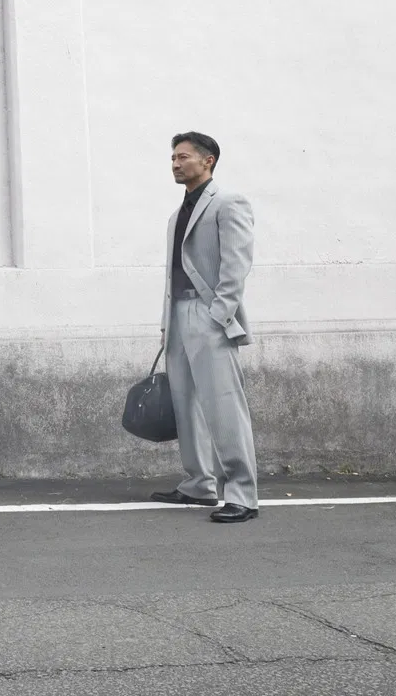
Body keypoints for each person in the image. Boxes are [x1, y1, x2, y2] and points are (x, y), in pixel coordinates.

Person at [150, 132, 260, 523]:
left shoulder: (228, 203)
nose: (175, 164)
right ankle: (199, 484)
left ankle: (242, 495)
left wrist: (220, 314)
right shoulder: (176, 215)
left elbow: (236, 263)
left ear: (207, 160)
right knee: (186, 404)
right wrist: (167, 323)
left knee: (224, 405)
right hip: (178, 317)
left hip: (208, 314)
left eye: (183, 157)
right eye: (173, 158)